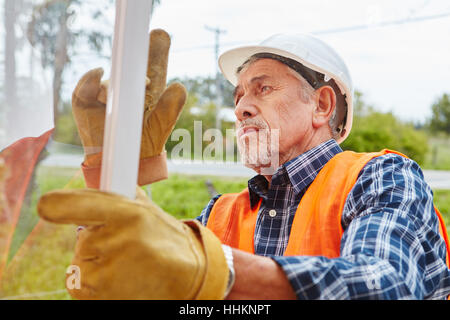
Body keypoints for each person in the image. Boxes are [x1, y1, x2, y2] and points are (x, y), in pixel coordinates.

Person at [37, 30, 450, 300]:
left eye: (262, 88)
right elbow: (125, 273)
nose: (241, 108)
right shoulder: (219, 215)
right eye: (237, 97)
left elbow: (385, 285)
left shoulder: (383, 178)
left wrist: (219, 270)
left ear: (321, 105)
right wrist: (116, 172)